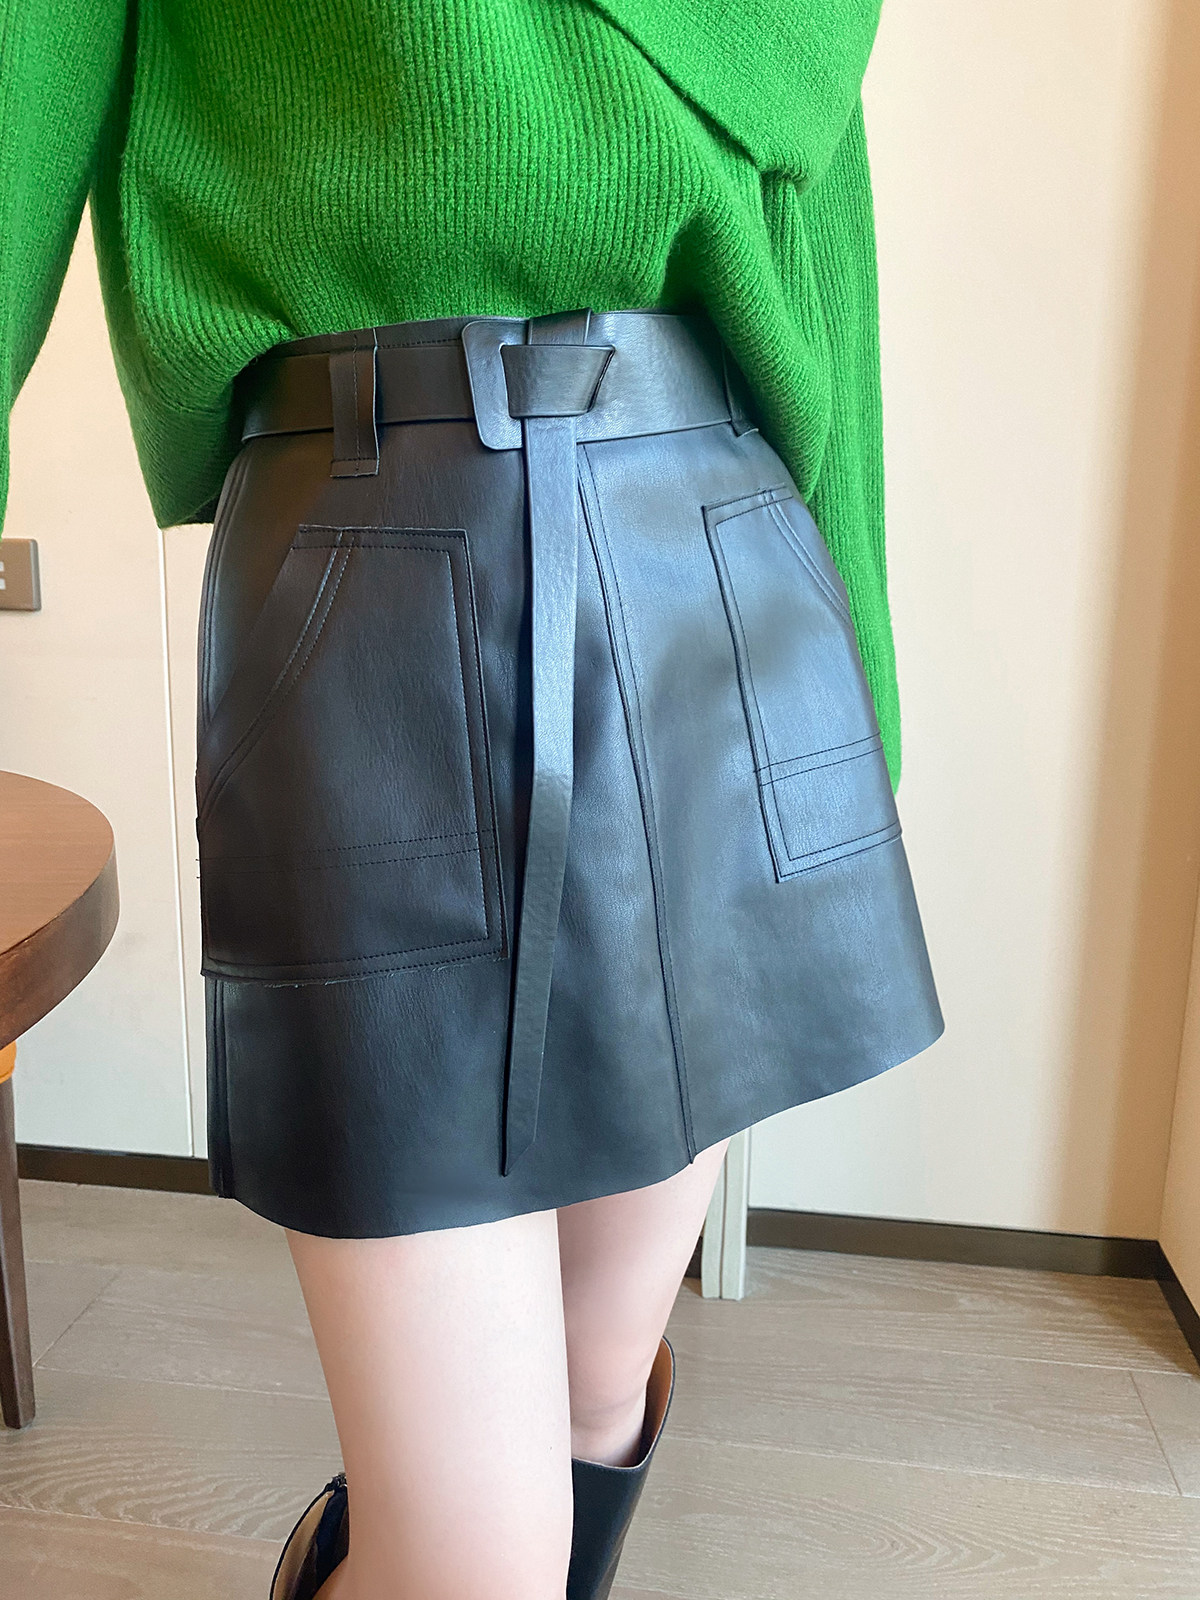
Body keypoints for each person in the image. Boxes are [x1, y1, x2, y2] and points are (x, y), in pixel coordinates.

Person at [2, 4, 944, 1596]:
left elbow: (819, 243)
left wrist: (857, 715)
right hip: (372, 551)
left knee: (595, 1400)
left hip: (726, 566)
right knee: (475, 1568)